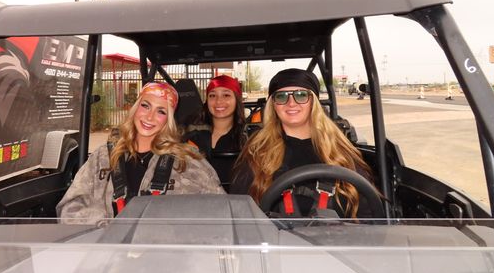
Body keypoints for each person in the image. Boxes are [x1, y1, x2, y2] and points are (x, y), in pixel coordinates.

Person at [57, 81, 224, 224]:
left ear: (169, 120)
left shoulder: (187, 161)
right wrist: (106, 227)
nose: (149, 117)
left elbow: (222, 211)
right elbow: (69, 208)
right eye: (145, 106)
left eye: (161, 111)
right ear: (135, 108)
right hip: (107, 254)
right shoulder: (103, 157)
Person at [230, 68, 375, 218]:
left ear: (313, 102)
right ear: (273, 105)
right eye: (281, 97)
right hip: (274, 239)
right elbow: (239, 212)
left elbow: (370, 212)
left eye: (301, 95)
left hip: (337, 239)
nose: (291, 103)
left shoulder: (341, 151)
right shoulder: (257, 152)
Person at [184, 75, 247, 190]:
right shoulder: (192, 137)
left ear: (236, 99)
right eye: (212, 95)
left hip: (239, 203)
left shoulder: (249, 138)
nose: (219, 101)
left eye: (226, 95)